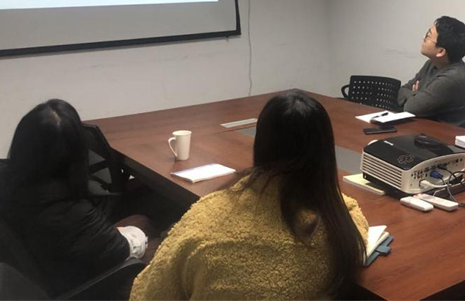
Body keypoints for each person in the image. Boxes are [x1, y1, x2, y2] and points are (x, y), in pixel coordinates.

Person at [130, 90, 368, 300]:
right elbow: (354, 220)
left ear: (261, 144)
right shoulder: (337, 231)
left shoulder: (205, 222)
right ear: (325, 154)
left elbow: (147, 294)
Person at [0, 99, 152, 295]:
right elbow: (121, 251)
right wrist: (131, 237)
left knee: (142, 221)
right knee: (164, 248)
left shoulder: (1, 182)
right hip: (75, 284)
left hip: (38, 264)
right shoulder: (66, 209)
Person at [396, 16, 465, 126]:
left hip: (440, 133)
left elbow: (411, 108)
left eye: (428, 36)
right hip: (420, 126)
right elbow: (403, 90)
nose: (423, 38)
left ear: (441, 51)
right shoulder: (432, 63)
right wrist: (416, 96)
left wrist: (415, 94)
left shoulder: (452, 78)